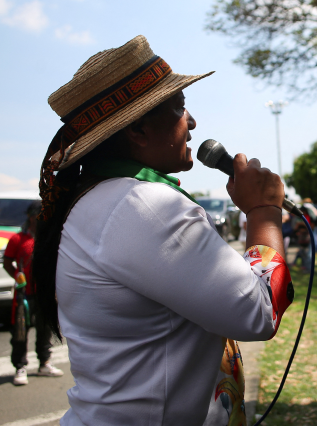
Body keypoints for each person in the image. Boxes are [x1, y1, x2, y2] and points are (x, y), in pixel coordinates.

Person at [32, 36, 293, 426]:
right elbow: (258, 312)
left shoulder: (102, 201)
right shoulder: (144, 207)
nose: (192, 122)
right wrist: (263, 211)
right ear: (137, 130)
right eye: (180, 107)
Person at [3, 201, 64, 386]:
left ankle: (44, 362)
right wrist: (17, 276)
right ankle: (20, 366)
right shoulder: (17, 239)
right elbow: (7, 262)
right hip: (24, 294)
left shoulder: (48, 238)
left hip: (44, 293)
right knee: (20, 331)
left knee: (45, 329)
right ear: (31, 217)